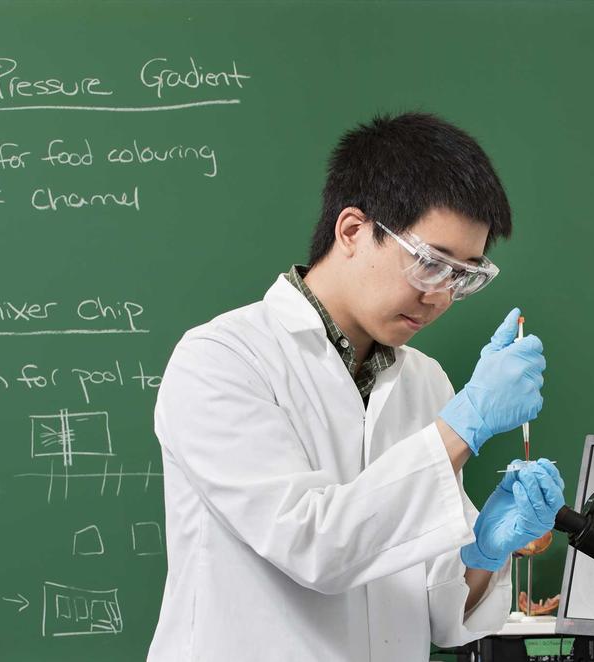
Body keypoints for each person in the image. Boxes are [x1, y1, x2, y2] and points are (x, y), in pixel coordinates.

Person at [148, 112, 564, 661]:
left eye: (463, 276)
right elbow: (314, 546)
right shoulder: (222, 360)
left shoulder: (424, 380)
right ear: (352, 231)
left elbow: (441, 614)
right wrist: (466, 424)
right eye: (431, 264)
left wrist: (484, 553)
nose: (440, 297)